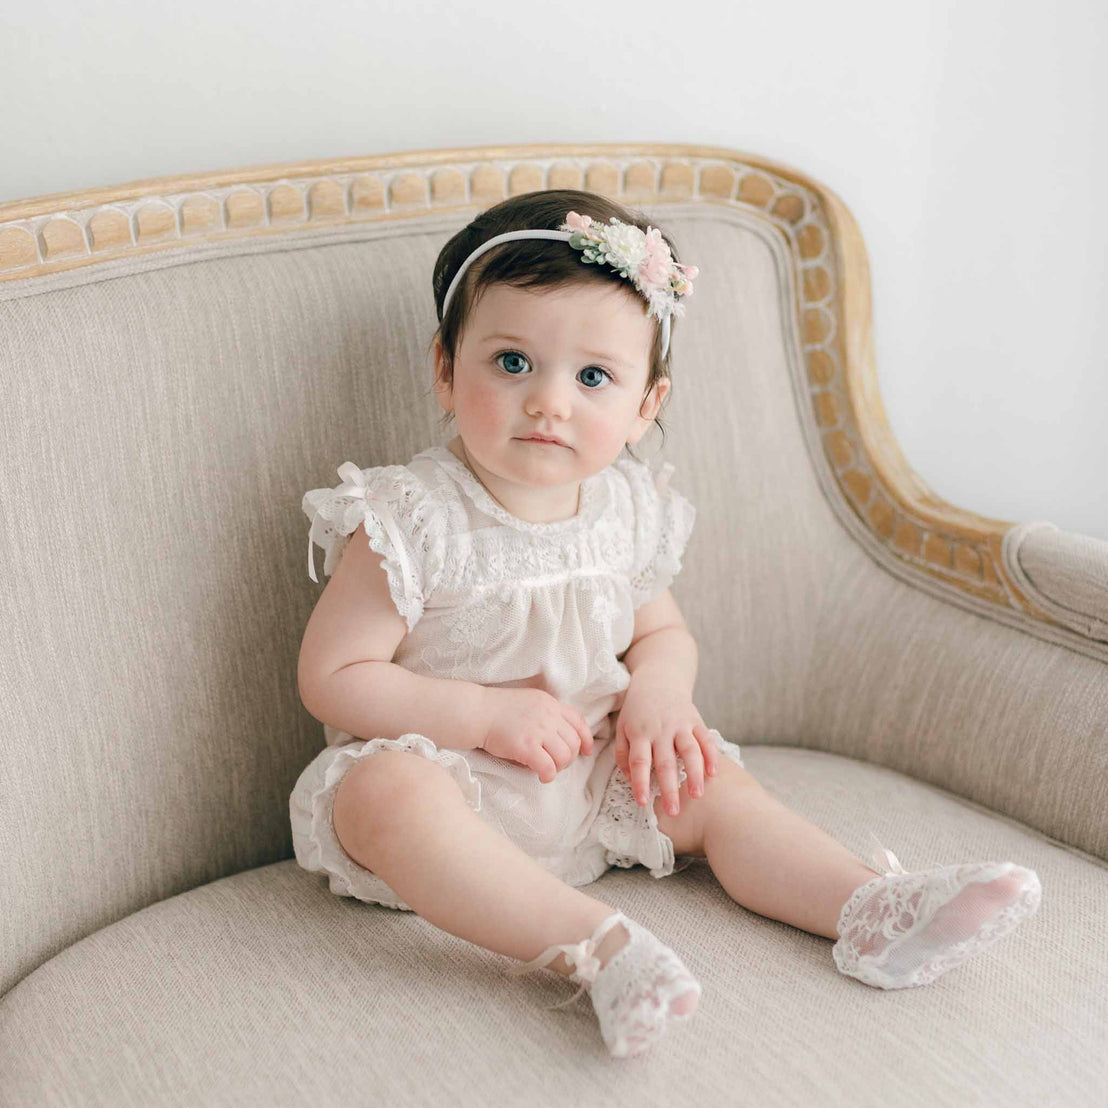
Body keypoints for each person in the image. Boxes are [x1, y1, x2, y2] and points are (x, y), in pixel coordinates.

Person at [289, 189, 1042, 1059]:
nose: (549, 403)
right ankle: (597, 947)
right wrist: (482, 716)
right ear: (446, 370)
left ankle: (866, 906)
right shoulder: (411, 517)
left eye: (593, 377)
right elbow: (334, 677)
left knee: (705, 776)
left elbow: (663, 634)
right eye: (511, 362)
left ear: (647, 405)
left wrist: (658, 690)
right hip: (448, 780)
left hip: (589, 772)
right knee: (387, 794)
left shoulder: (627, 510)